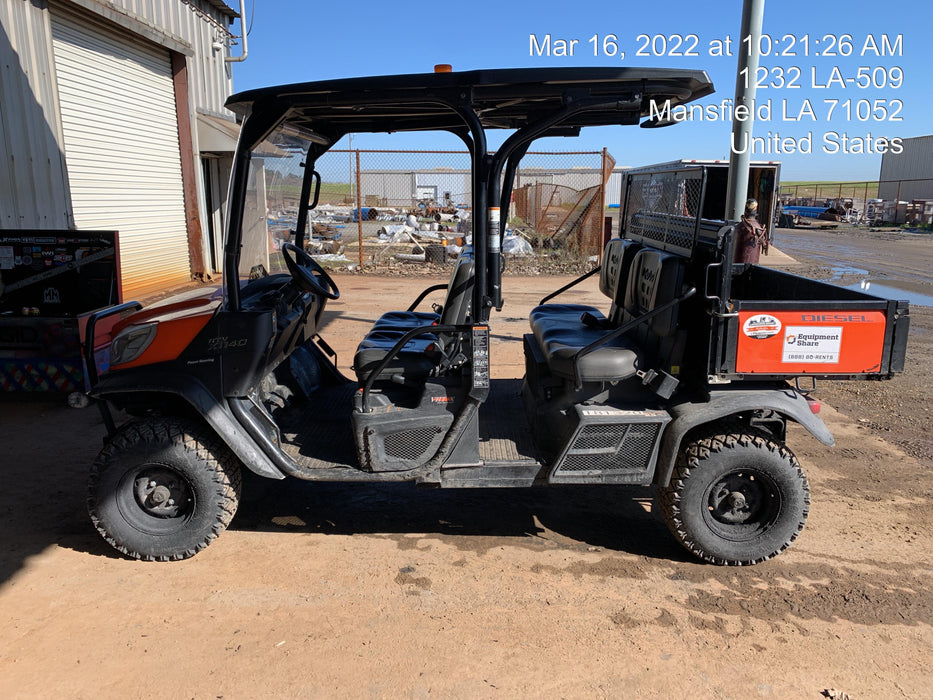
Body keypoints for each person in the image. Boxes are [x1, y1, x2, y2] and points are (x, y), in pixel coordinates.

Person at [733, 198, 768, 264]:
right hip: (751, 267)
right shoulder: (758, 227)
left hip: (736, 267)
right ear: (755, 209)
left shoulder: (740, 226)